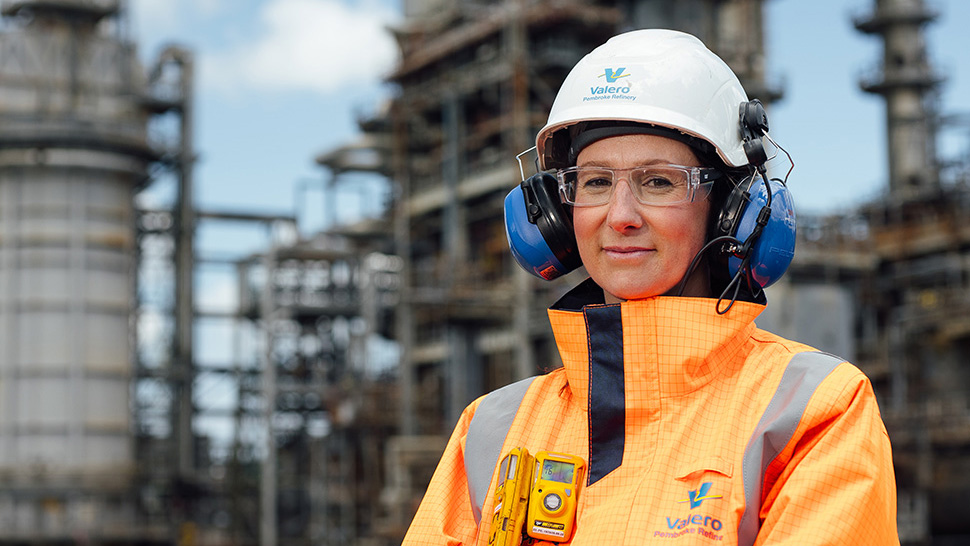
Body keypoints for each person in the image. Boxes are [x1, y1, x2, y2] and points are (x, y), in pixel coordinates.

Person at [403, 29, 898, 545]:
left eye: (658, 181)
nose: (620, 217)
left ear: (734, 209)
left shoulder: (813, 412)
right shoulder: (488, 431)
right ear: (555, 214)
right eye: (595, 182)